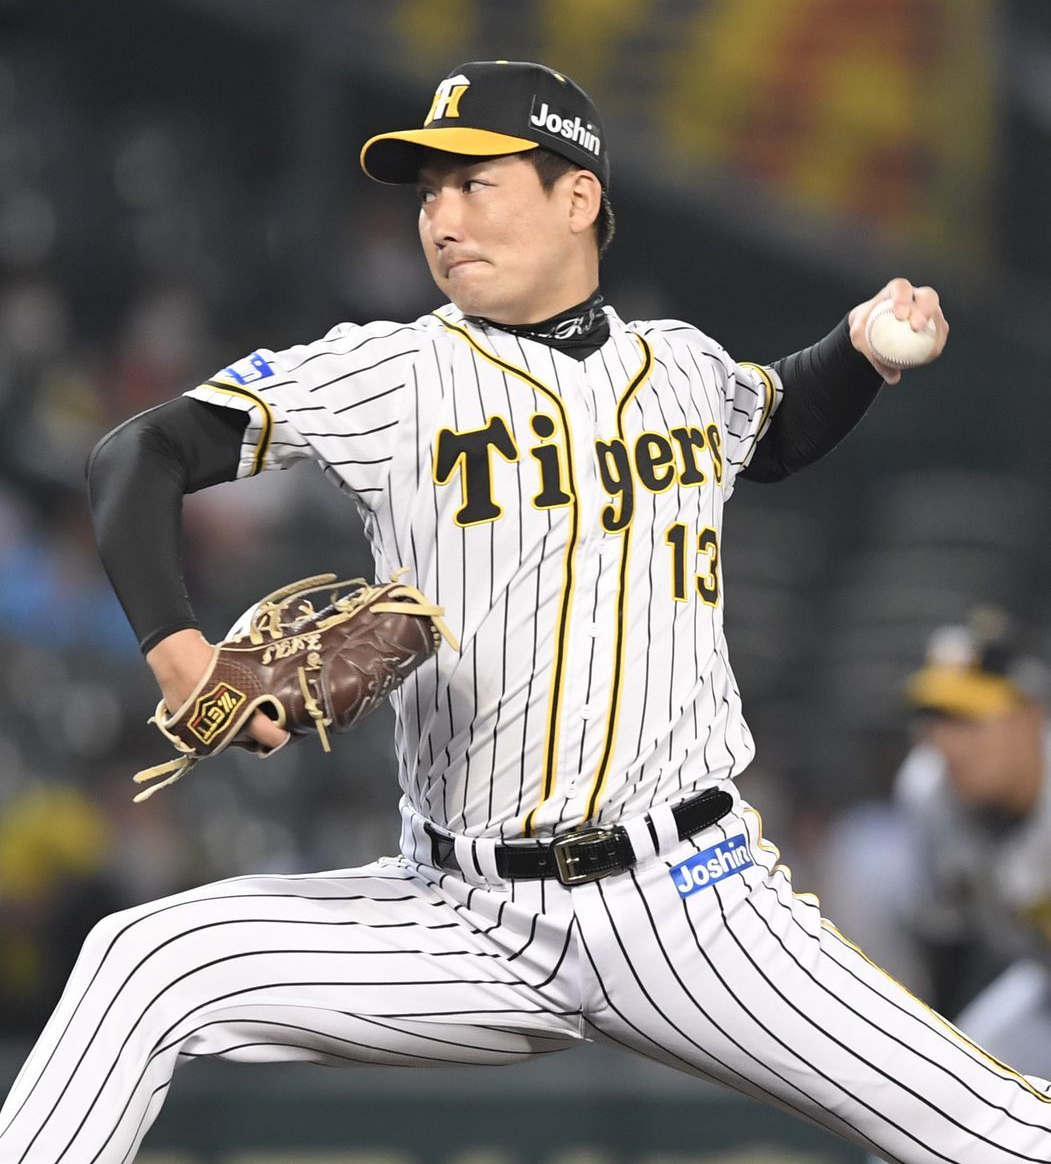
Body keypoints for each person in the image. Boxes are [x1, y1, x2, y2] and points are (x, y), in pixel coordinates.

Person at [0, 59, 1046, 1164]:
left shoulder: (680, 367)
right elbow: (140, 453)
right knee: (141, 965)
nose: (441, 218)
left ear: (577, 196)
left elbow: (775, 423)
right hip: (457, 914)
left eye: (474, 183)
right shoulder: (393, 372)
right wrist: (180, 654)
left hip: (691, 900)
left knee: (1003, 1132)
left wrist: (862, 353)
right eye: (427, 194)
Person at [892, 610, 1051, 1076]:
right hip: (1042, 980)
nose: (946, 743)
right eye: (933, 719)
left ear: (1029, 718)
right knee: (941, 1090)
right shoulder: (929, 794)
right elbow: (945, 942)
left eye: (967, 719)